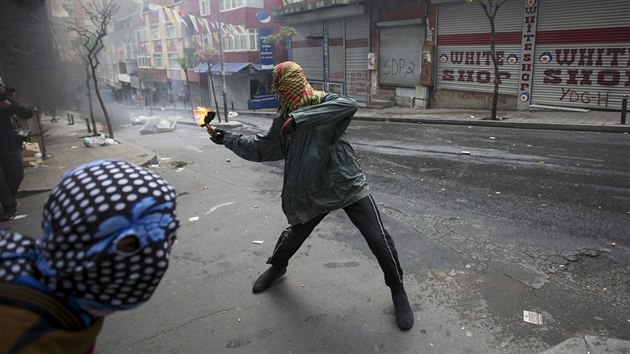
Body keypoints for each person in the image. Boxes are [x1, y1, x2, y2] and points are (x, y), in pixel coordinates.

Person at [208, 61, 414, 330]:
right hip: (312, 189)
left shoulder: (324, 101)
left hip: (345, 183)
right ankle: (277, 267)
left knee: (378, 238)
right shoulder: (284, 114)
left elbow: (349, 104)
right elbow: (266, 146)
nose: (284, 95)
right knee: (294, 235)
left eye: (285, 88)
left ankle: (397, 289)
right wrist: (228, 139)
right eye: (281, 90)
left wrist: (301, 119)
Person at [0, 159, 180, 353]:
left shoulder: (71, 294)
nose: (159, 257)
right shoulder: (25, 336)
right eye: (131, 244)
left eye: (168, 235)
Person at [0, 84, 33, 221]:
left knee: (17, 175)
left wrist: (9, 105)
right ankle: (9, 206)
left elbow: (27, 113)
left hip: (9, 144)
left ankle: (8, 199)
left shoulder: (4, 100)